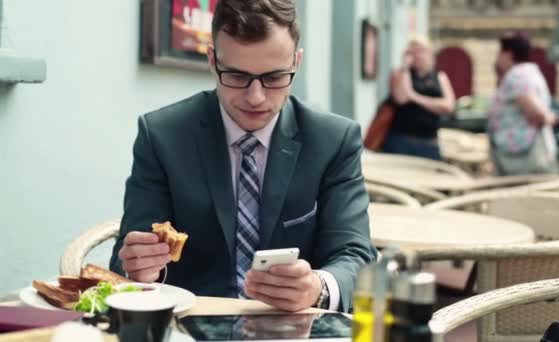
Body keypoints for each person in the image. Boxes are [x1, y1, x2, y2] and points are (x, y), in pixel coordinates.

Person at [109, 0, 376, 312]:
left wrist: (318, 288)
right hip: (191, 326)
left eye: (274, 77)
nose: (255, 97)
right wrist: (138, 269)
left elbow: (356, 255)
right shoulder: (162, 135)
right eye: (236, 76)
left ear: (296, 62)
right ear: (212, 59)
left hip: (298, 328)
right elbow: (126, 257)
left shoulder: (333, 140)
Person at [487, 32, 557, 175]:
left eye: (499, 53)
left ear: (508, 54)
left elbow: (536, 111)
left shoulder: (517, 75)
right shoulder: (530, 72)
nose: (497, 57)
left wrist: (549, 117)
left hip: (520, 157)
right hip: (521, 154)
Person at [382, 36, 456, 160]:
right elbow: (401, 98)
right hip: (401, 142)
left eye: (422, 50)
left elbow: (448, 106)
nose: (418, 55)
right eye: (414, 51)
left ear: (430, 53)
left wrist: (415, 96)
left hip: (429, 143)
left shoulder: (439, 77)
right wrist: (405, 67)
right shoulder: (399, 74)